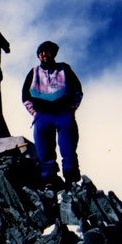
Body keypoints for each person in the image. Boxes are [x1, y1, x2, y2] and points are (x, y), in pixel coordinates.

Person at [22, 41, 83, 190]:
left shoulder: (64, 68)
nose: (44, 55)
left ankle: (71, 179)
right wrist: (34, 113)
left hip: (63, 115)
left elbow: (77, 90)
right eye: (41, 52)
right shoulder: (34, 72)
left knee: (68, 148)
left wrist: (72, 109)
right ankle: (49, 179)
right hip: (42, 116)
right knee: (44, 150)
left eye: (47, 51)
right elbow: (25, 96)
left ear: (53, 53)